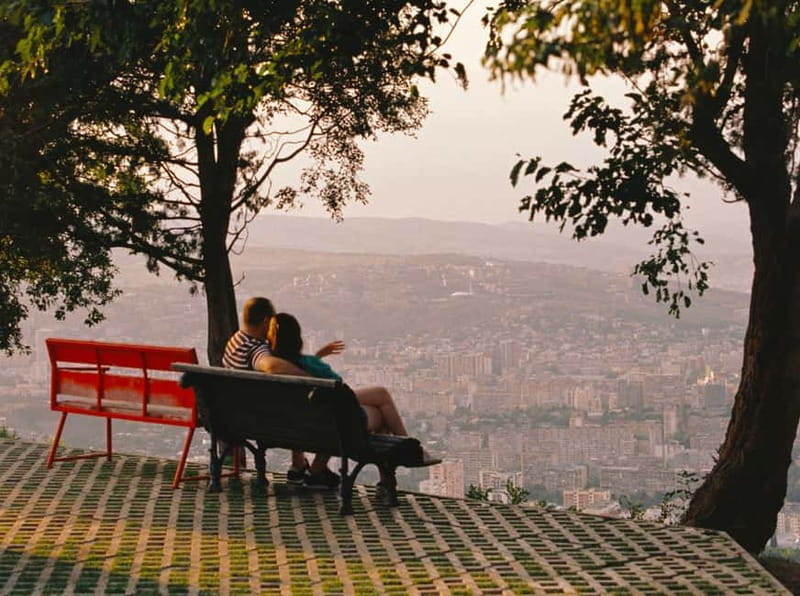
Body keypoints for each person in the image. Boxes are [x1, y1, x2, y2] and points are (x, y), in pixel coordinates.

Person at [222, 297, 340, 490]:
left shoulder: (235, 341)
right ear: (264, 321)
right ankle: (312, 469)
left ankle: (299, 464)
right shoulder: (256, 348)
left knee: (288, 398)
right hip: (264, 424)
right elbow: (269, 364)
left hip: (236, 417)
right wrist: (309, 377)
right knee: (318, 406)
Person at [268, 312, 411, 438]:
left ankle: (318, 466)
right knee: (381, 397)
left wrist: (317, 357)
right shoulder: (307, 363)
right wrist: (317, 361)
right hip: (331, 421)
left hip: (297, 423)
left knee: (378, 408)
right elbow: (338, 385)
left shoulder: (274, 363)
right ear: (297, 338)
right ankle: (410, 445)